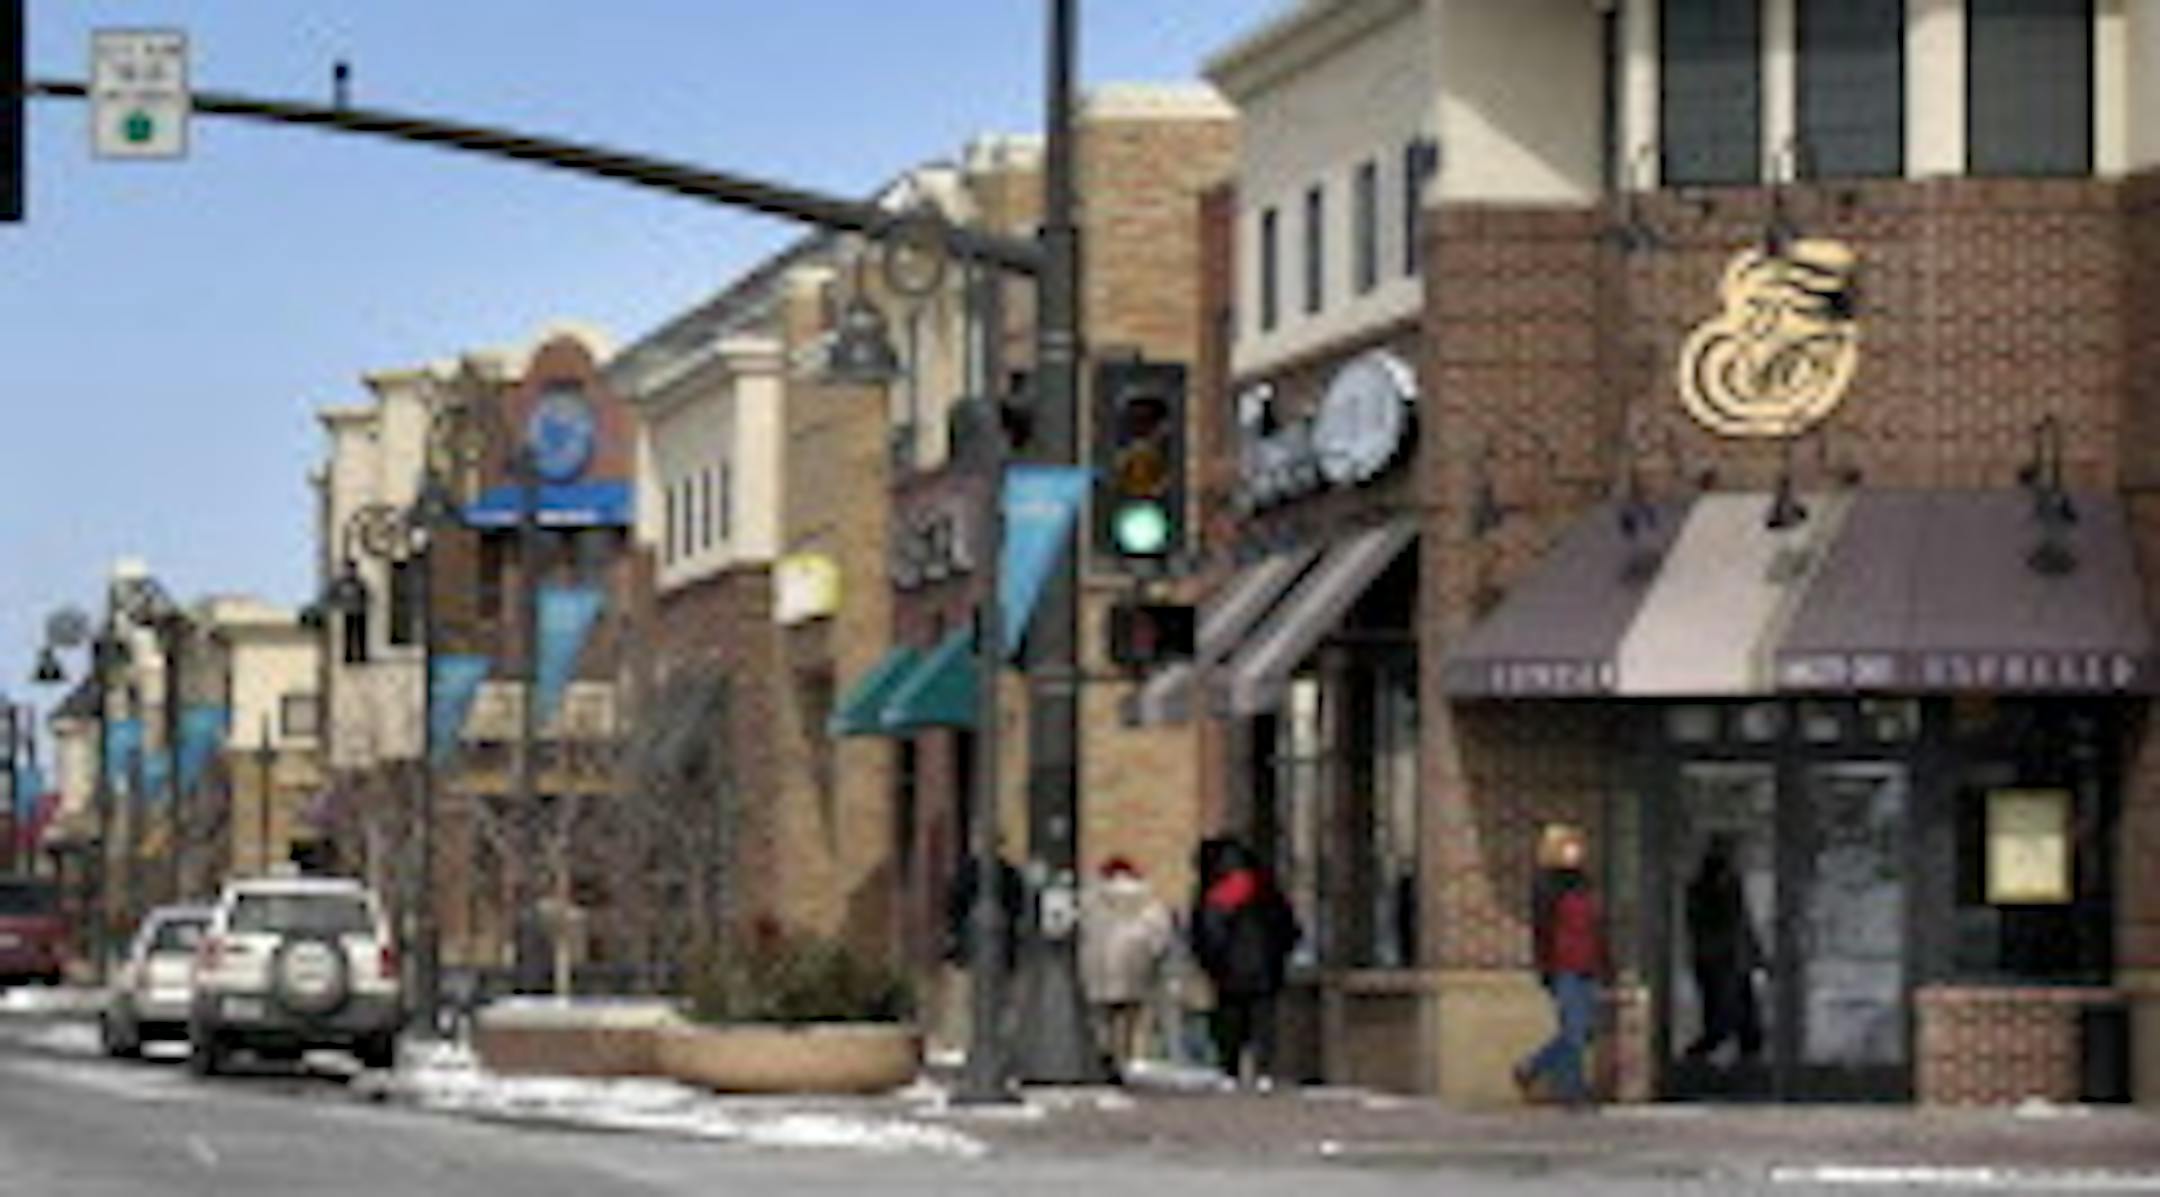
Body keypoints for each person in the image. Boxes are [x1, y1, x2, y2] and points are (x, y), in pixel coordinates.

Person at [1189, 836, 1299, 1091]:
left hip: (1229, 970)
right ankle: (1263, 1069)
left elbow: (1208, 932)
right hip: (1264, 967)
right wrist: (1278, 954)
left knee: (1230, 1020)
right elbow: (1287, 926)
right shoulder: (1264, 886)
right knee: (1262, 1019)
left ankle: (1230, 1069)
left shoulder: (1217, 891)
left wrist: (1211, 962)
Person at [1513, 823, 1605, 1108]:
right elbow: (1542, 929)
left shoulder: (1584, 882)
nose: (1574, 851)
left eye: (1576, 845)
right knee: (1574, 1032)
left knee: (1583, 1031)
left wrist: (1604, 962)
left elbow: (1595, 926)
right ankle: (1572, 1092)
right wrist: (1545, 967)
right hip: (1563, 965)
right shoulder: (1547, 885)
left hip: (1588, 964)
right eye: (1568, 845)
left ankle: (1532, 1066)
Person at [1079, 856, 1174, 1074]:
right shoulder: (1146, 899)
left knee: (1101, 1017)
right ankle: (1124, 1058)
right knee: (1129, 1017)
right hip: (1134, 966)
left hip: (1098, 968)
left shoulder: (1091, 898)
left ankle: (1103, 1056)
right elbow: (1159, 933)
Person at [1683, 833, 1765, 1066]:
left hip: (1723, 957)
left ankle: (1735, 1050)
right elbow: (1735, 922)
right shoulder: (1711, 886)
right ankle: (1721, 1052)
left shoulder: (1719, 885)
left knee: (1731, 1011)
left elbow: (1739, 921)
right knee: (1727, 1011)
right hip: (1721, 957)